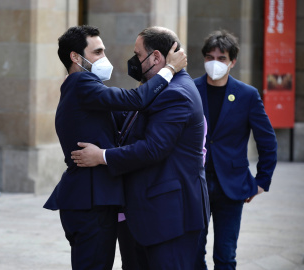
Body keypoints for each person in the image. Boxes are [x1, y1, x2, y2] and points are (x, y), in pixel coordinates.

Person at [43, 25, 187, 269]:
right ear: (76, 58)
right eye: (97, 52)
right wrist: (169, 69)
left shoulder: (85, 87)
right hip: (89, 201)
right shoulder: (80, 82)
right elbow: (135, 100)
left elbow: (129, 111)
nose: (104, 58)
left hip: (93, 200)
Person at [71, 26, 209, 269]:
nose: (133, 62)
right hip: (149, 215)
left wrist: (101, 156)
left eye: (138, 55)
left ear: (156, 57)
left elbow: (153, 149)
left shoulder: (175, 93)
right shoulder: (163, 88)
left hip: (168, 218)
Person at [193, 30, 277, 270]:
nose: (214, 63)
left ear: (233, 62)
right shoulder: (190, 89)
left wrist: (262, 181)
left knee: (226, 255)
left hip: (232, 185)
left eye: (221, 58)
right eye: (210, 57)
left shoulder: (247, 95)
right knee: (193, 251)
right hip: (195, 183)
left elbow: (267, 141)